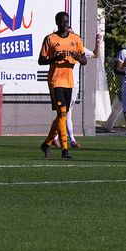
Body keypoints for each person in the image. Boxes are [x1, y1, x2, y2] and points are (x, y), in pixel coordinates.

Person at [38, 11, 91, 159]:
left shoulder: (76, 39)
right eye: (61, 22)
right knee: (62, 113)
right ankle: (65, 150)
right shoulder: (50, 39)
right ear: (57, 23)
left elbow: (85, 61)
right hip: (55, 81)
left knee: (62, 115)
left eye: (66, 22)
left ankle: (47, 144)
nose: (64, 24)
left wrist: (78, 58)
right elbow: (41, 60)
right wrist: (54, 59)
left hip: (69, 82)